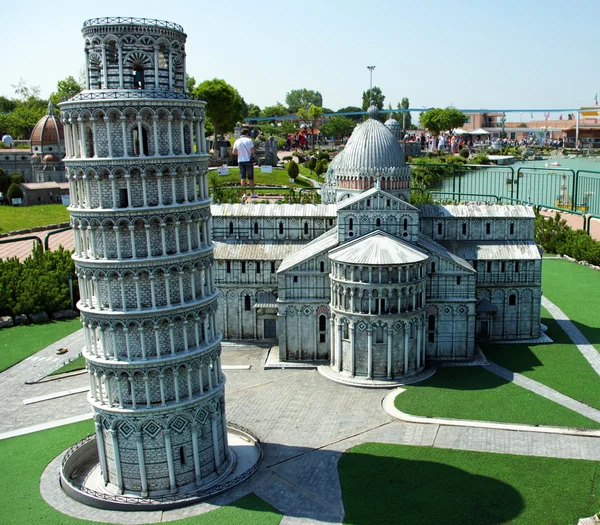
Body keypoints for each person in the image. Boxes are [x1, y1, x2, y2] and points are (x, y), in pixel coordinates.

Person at [232, 128, 256, 198]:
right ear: (247, 133)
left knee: (243, 177)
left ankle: (244, 193)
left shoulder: (237, 141)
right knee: (251, 177)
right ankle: (252, 193)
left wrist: (240, 153)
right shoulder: (249, 140)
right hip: (248, 160)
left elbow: (234, 152)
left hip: (240, 160)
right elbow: (252, 151)